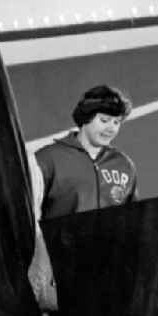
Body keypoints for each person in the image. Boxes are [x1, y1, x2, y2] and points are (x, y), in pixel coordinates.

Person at [36, 85, 138, 220]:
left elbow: (133, 217)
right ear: (86, 117)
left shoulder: (124, 164)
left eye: (116, 122)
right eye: (104, 120)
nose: (111, 128)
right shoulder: (47, 159)